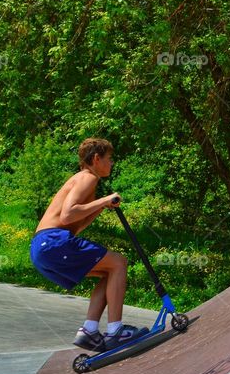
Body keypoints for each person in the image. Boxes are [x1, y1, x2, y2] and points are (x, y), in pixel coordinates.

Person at [30, 138, 148, 352]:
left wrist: (100, 206)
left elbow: (77, 224)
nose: (111, 163)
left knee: (109, 271)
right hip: (53, 241)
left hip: (43, 247)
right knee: (119, 263)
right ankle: (115, 332)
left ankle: (90, 331)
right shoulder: (87, 178)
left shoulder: (82, 180)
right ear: (96, 159)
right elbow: (67, 215)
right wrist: (103, 201)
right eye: (109, 159)